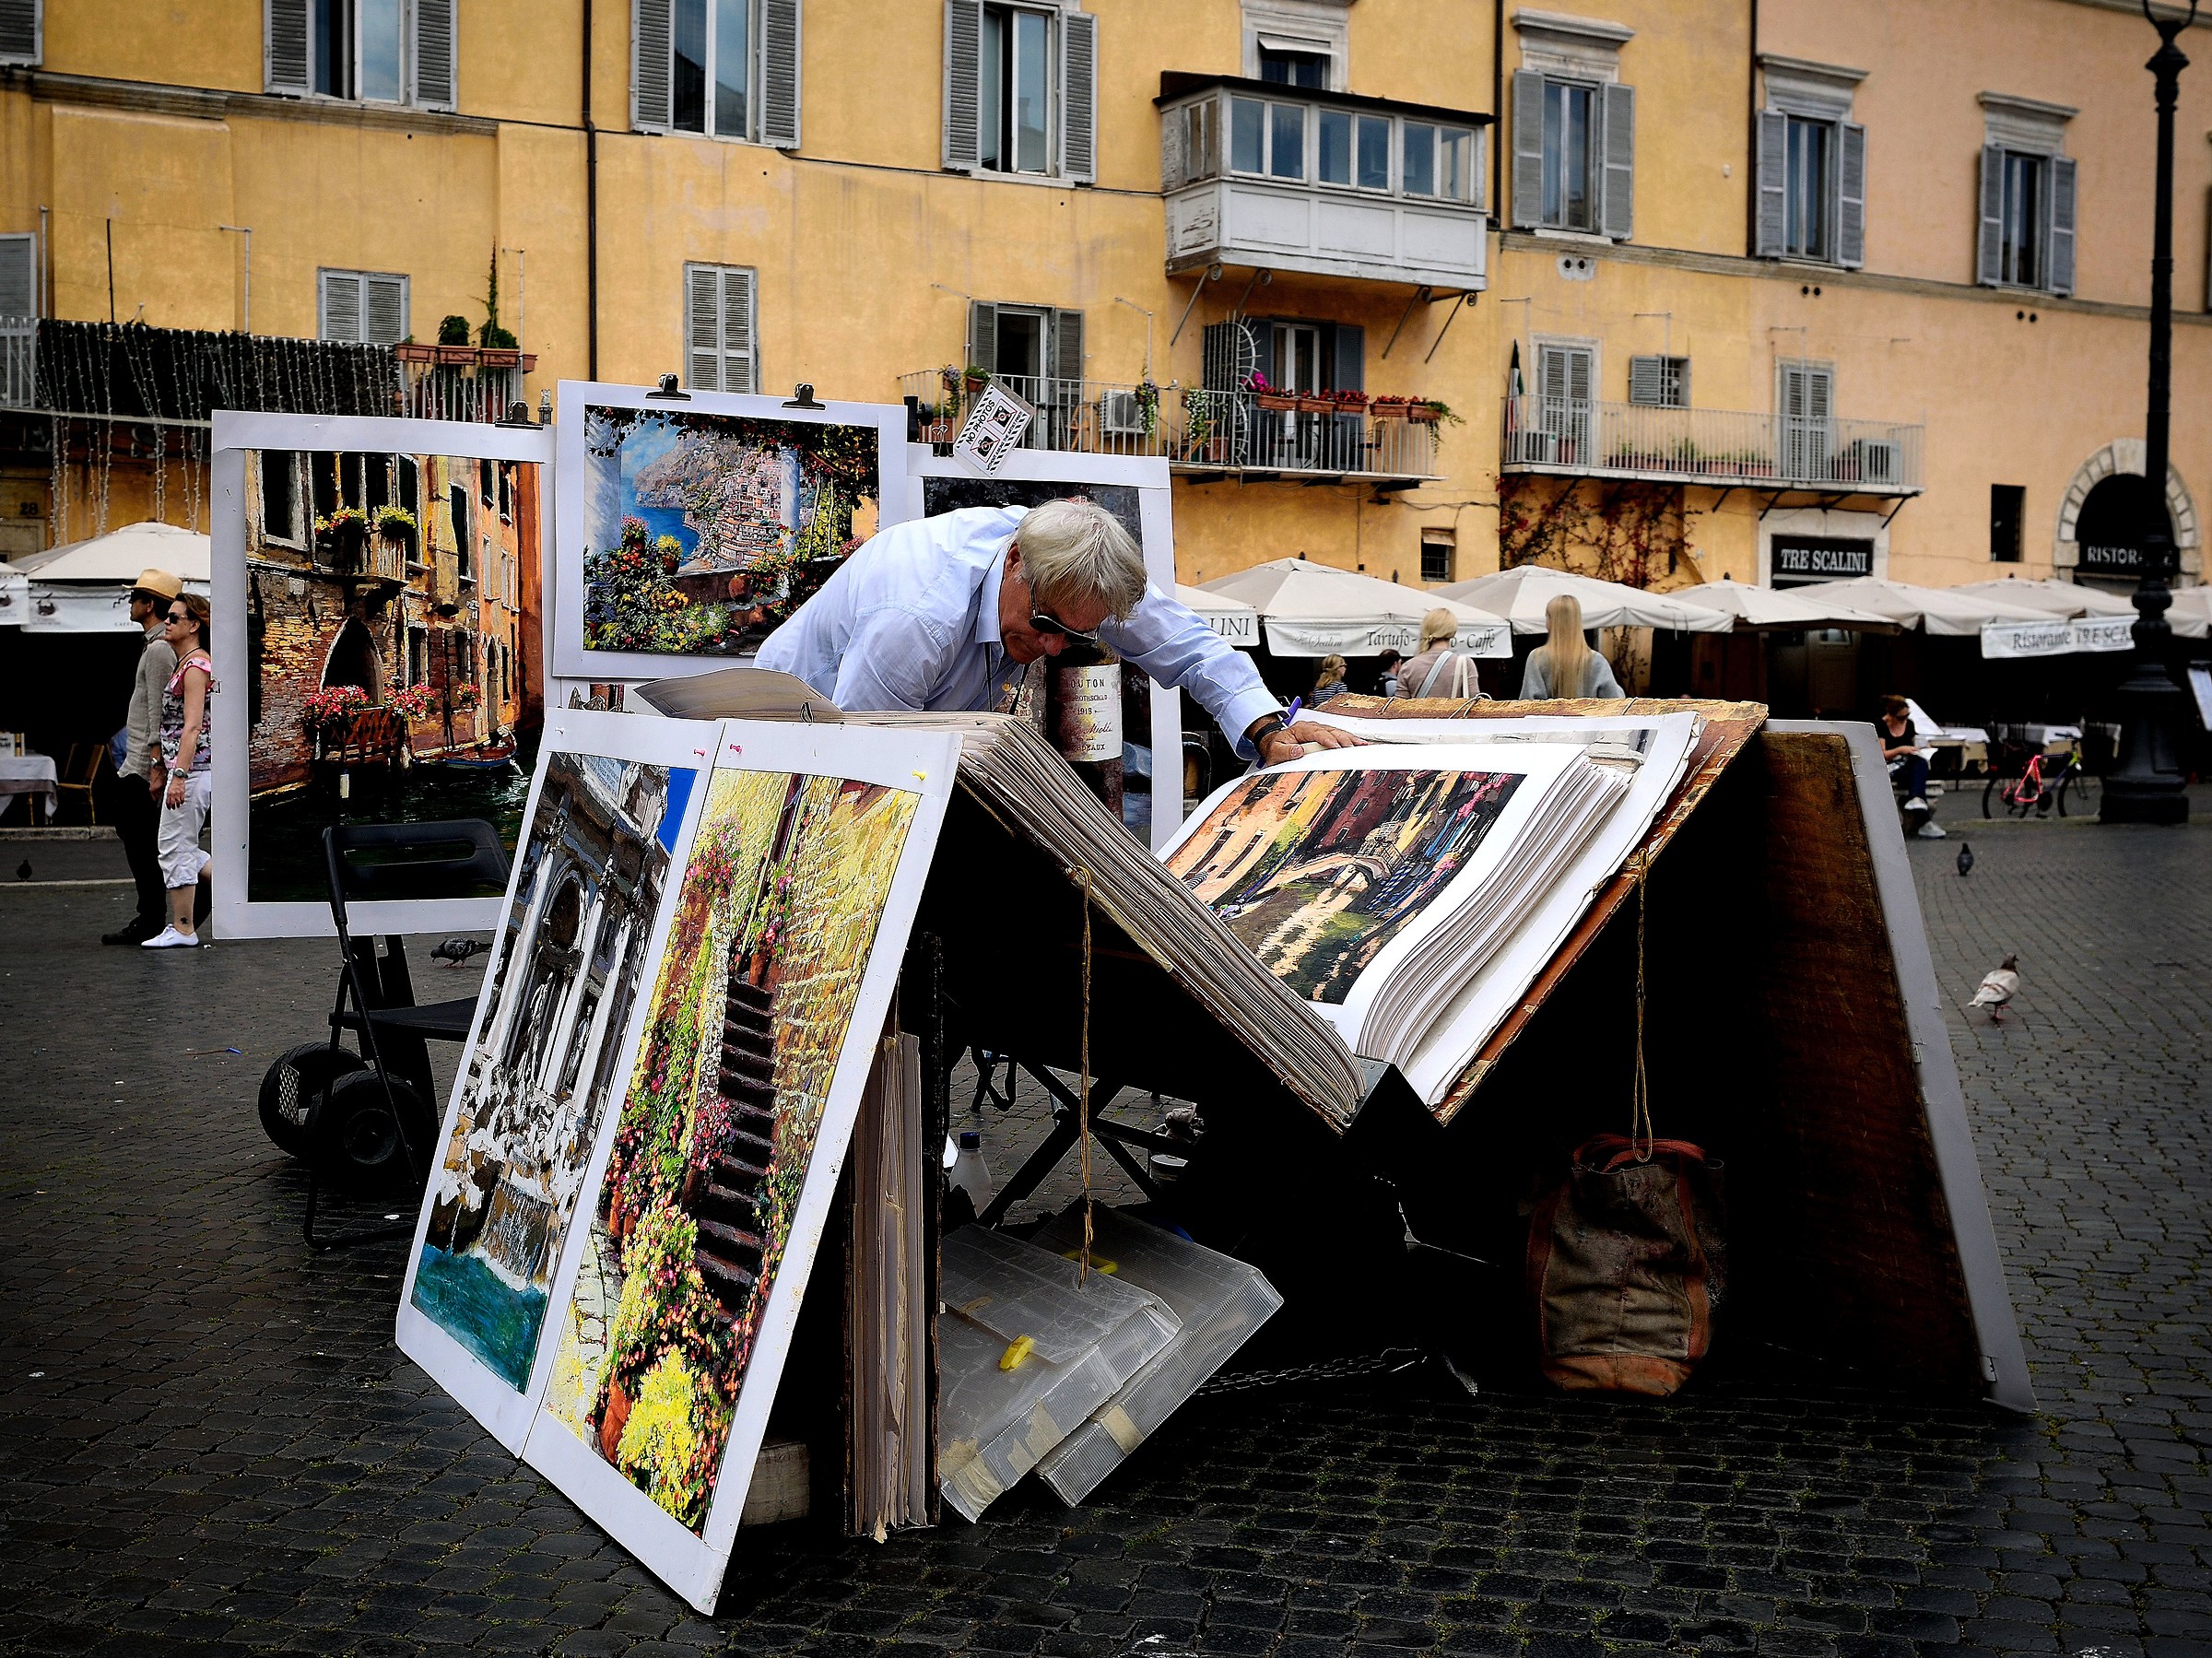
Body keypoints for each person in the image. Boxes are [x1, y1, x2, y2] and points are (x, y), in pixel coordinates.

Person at [757, 500, 1358, 767]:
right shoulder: (916, 614)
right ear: (1013, 559)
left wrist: (1265, 725)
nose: (1049, 648)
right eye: (1045, 624)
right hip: (788, 730)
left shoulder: (1081, 577)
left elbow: (1191, 645)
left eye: (1072, 638)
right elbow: (868, 768)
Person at [101, 568, 182, 945]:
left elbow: (160, 711)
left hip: (142, 767)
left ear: (149, 605)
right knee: (138, 840)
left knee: (144, 844)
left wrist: (155, 766)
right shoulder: (155, 646)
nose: (130, 604)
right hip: (135, 764)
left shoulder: (160, 649)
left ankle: (152, 919)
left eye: (135, 598)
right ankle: (151, 916)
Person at [145, 592, 216, 949]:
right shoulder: (184, 663)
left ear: (194, 624)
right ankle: (232, 886)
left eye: (174, 618)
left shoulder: (196, 667)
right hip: (187, 769)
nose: (167, 622)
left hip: (194, 769)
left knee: (173, 846)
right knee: (179, 846)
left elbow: (192, 726)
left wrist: (180, 776)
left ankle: (183, 928)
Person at [1518, 594, 1625, 699]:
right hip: (1588, 716)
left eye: (1547, 616)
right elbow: (1615, 700)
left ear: (1552, 621)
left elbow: (1528, 703)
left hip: (1549, 716)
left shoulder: (1537, 658)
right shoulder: (1596, 660)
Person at [1877, 694, 1946, 839]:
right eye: (1901, 717)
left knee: (1919, 763)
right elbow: (1881, 754)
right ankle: (1924, 822)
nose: (1905, 720)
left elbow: (1914, 744)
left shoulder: (1910, 725)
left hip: (1907, 765)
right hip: (1890, 767)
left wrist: (1922, 748)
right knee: (1915, 774)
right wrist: (1900, 749)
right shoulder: (1881, 726)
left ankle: (1917, 801)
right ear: (1891, 715)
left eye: (1907, 716)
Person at [1394, 608, 1486, 700]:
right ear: (1453, 632)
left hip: (1418, 714)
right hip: (1453, 714)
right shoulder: (1465, 664)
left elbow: (1399, 708)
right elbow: (1474, 704)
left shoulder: (1408, 667)